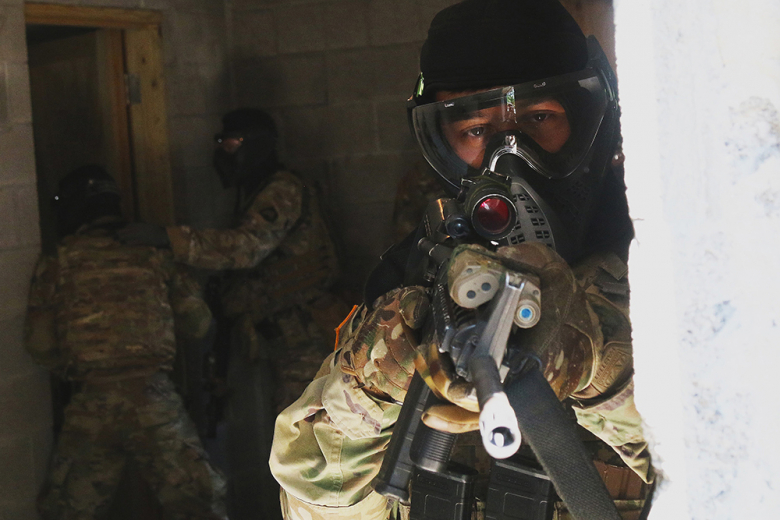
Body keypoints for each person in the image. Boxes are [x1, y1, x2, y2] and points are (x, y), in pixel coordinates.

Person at [269, 0, 652, 519]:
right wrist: (373, 385)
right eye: (474, 131)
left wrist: (597, 361)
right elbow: (315, 506)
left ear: (591, 120)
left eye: (540, 117)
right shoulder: (412, 290)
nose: (510, 154)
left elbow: (738, 471)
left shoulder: (667, 268)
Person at [119, 108, 348, 520]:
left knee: (310, 454)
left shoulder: (282, 190)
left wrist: (166, 238)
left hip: (306, 339)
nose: (224, 154)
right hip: (281, 340)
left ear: (255, 145)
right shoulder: (256, 191)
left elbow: (245, 248)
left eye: (232, 144)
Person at [25, 165, 227, 520]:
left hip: (91, 405)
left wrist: (83, 366)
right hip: (154, 401)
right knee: (200, 506)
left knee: (67, 512)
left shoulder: (58, 260)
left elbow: (39, 344)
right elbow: (198, 324)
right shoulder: (156, 252)